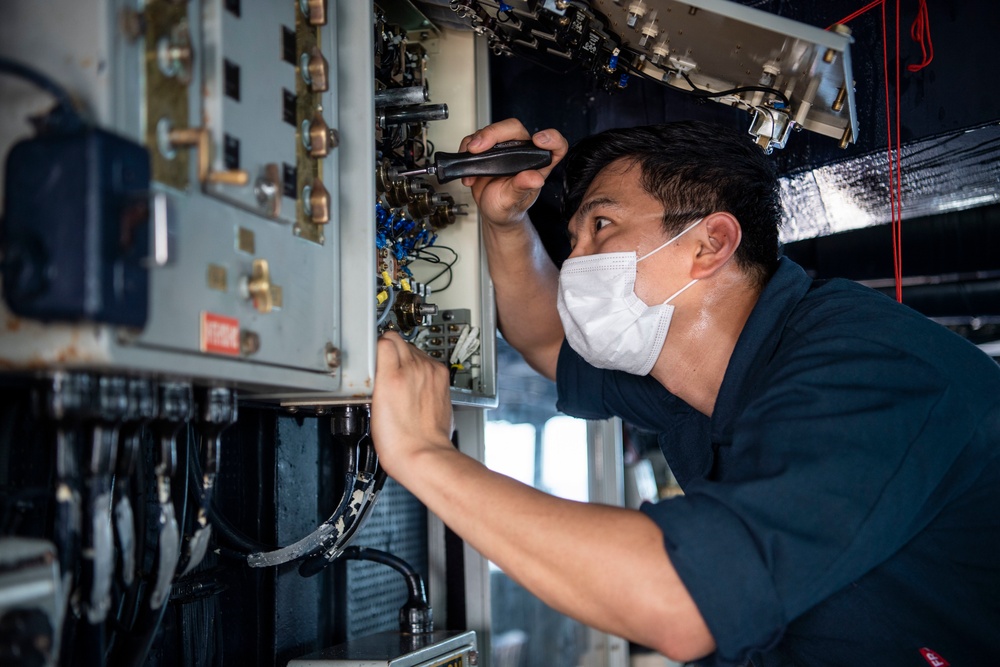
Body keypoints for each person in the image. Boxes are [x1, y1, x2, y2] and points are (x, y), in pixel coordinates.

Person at [370, 118, 1000, 666]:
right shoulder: (701, 372)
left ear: (710, 243)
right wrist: (506, 224)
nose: (578, 264)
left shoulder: (869, 369)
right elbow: (545, 341)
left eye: (602, 225)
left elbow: (683, 600)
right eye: (574, 243)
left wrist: (426, 456)